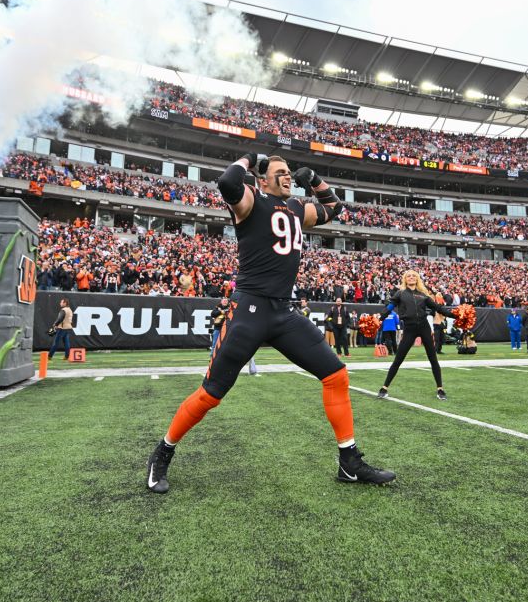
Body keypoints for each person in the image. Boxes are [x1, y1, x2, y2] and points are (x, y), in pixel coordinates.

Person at [146, 153, 394, 493]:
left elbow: (334, 208)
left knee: (336, 374)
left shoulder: (294, 207)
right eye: (281, 172)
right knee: (211, 394)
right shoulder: (251, 199)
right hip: (248, 309)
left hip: (282, 312)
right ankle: (162, 452)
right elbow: (227, 182)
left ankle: (348, 462)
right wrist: (250, 158)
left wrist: (315, 180)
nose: (287, 176)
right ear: (262, 179)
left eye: (289, 173)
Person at [377, 270, 459, 401]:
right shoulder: (400, 293)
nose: (411, 277)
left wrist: (456, 315)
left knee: (433, 358)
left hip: (424, 327)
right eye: (408, 276)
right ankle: (384, 388)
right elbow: (389, 307)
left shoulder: (423, 295)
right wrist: (380, 318)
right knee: (398, 359)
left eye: (413, 276)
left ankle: (440, 389)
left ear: (417, 279)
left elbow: (438, 308)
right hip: (409, 328)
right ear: (405, 279)